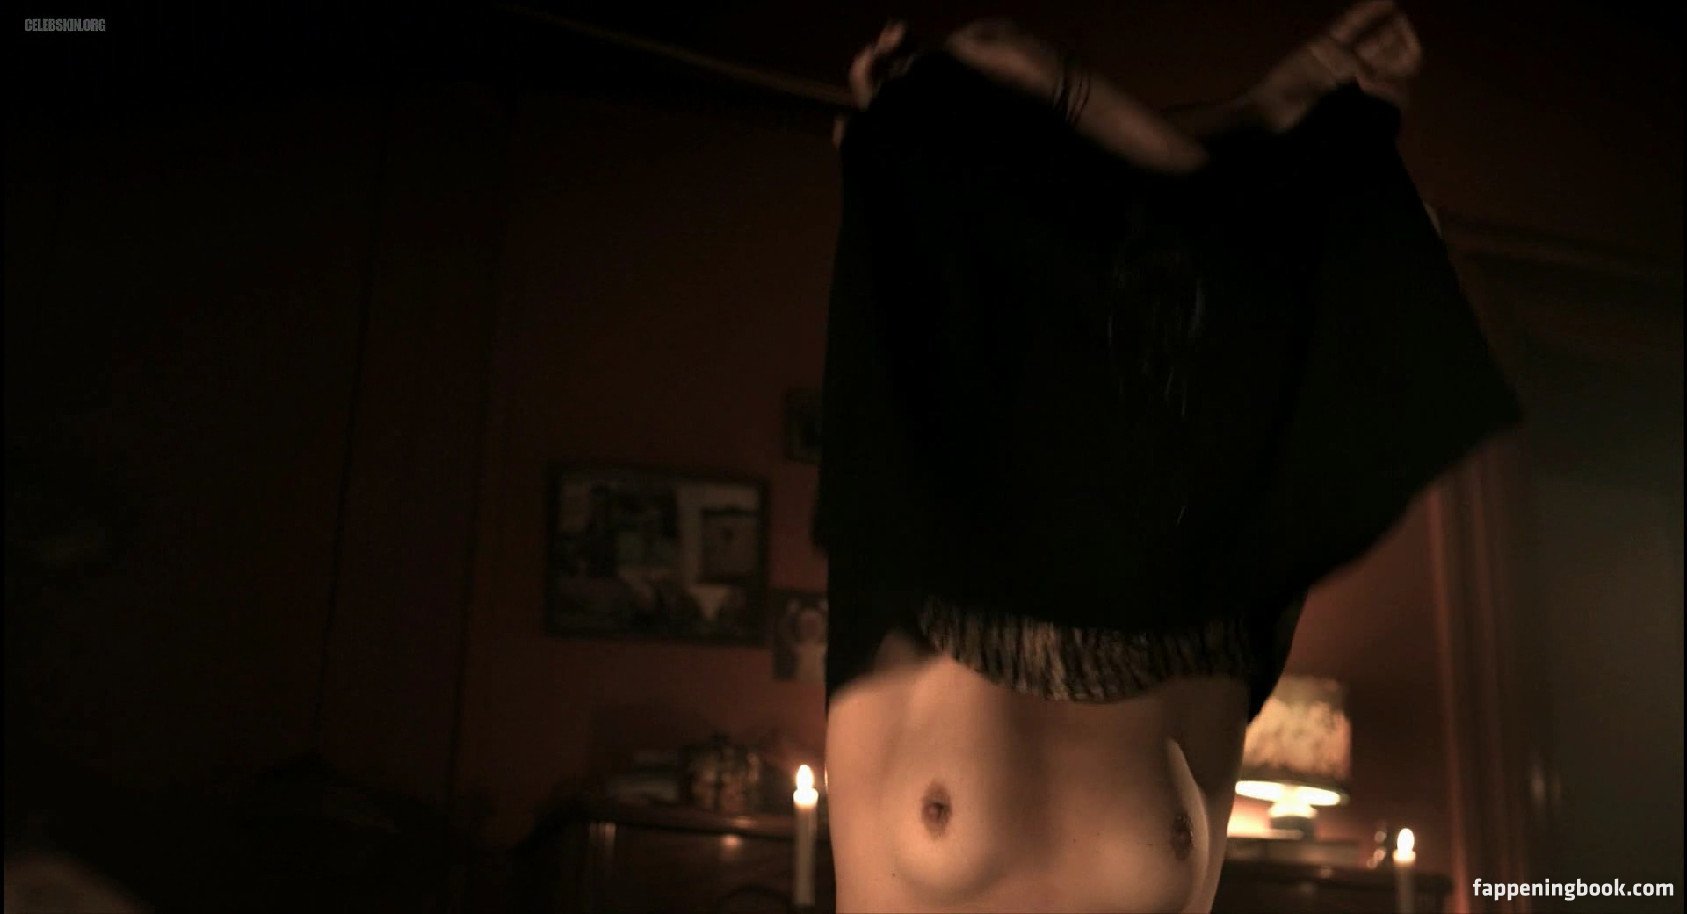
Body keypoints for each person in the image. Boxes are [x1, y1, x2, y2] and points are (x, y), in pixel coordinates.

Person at [815, 3, 1521, 912]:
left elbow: (1198, 250)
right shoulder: (924, 556)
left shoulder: (1197, 606)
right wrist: (1250, 118)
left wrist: (1246, 114)